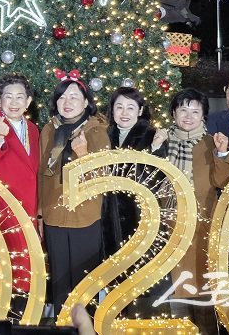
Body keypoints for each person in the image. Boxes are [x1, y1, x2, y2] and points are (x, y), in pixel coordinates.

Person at [153, 88, 229, 334]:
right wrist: (155, 150)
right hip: (168, 224)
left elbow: (224, 181)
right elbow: (150, 181)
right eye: (183, 110)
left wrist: (222, 152)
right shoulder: (162, 139)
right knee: (174, 288)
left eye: (195, 111)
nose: (188, 116)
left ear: (203, 116)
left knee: (202, 285)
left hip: (202, 225)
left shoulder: (211, 142)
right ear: (174, 113)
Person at [38, 74, 110, 317]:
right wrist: (39, 213)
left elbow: (103, 176)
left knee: (84, 283)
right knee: (59, 283)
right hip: (53, 215)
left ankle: (85, 328)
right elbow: (41, 173)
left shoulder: (96, 131)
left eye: (74, 97)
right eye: (62, 97)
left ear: (86, 103)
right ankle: (62, 327)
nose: (67, 102)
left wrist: (83, 155)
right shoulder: (49, 129)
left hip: (84, 217)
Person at [0, 73, 40, 316]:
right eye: (8, 97)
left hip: (27, 214)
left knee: (23, 281)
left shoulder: (33, 129)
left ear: (29, 101)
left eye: (20, 97)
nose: (14, 102)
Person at [102, 86, 167, 316]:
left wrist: (155, 150)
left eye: (131, 107)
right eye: (119, 107)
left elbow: (155, 176)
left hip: (137, 213)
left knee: (135, 273)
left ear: (140, 110)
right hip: (106, 211)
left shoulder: (152, 136)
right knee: (109, 269)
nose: (124, 112)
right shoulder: (104, 133)